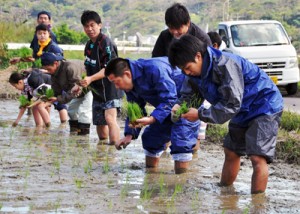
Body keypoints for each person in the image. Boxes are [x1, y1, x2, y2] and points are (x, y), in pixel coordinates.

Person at [168, 34, 283, 193]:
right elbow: (189, 96)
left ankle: (257, 205)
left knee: (257, 157)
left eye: (188, 67)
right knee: (231, 151)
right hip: (241, 109)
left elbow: (231, 104)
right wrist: (179, 107)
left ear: (198, 56)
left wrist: (200, 115)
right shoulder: (192, 74)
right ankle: (225, 193)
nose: (187, 72)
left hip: (264, 104)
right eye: (183, 70)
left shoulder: (225, 64)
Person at [105, 57, 200, 174]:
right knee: (150, 138)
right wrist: (129, 135)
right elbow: (135, 108)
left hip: (184, 104)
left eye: (116, 82)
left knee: (181, 140)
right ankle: (150, 175)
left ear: (127, 74)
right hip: (165, 107)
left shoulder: (155, 69)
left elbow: (171, 99)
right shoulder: (130, 84)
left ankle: (180, 182)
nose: (116, 87)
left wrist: (152, 118)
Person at [80, 10, 123, 144]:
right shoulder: (88, 45)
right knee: (99, 123)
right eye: (86, 26)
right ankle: (103, 151)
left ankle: (114, 150)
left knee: (110, 119)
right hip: (97, 90)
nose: (90, 29)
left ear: (100, 25)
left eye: (92, 25)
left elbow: (108, 69)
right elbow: (88, 67)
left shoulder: (106, 42)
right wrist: (83, 84)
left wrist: (90, 79)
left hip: (111, 88)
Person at [40, 52, 93, 135]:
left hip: (89, 88)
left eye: (49, 69)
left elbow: (76, 89)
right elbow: (56, 89)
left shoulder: (70, 67)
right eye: (46, 70)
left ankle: (83, 139)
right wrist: (51, 97)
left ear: (56, 63)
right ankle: (74, 133)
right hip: (77, 91)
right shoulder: (54, 72)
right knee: (71, 111)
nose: (48, 72)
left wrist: (58, 99)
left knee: (84, 112)